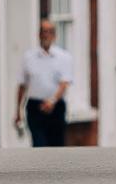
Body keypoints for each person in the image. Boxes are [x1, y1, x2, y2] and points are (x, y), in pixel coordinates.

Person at [14, 19, 75, 147]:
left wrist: (52, 101)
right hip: (35, 107)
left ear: (54, 35)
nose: (46, 35)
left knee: (56, 146)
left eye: (49, 32)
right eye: (43, 31)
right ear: (39, 34)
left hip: (56, 107)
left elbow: (64, 83)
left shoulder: (64, 57)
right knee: (39, 144)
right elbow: (22, 85)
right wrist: (18, 111)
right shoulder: (28, 57)